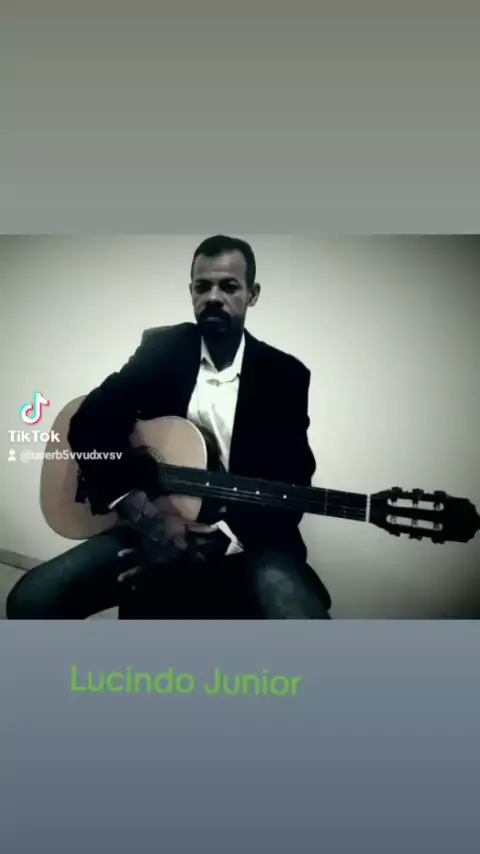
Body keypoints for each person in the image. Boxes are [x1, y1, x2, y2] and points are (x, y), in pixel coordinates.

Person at [6, 235, 331, 619]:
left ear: (252, 294)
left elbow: (293, 477)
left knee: (298, 614)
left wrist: (223, 538)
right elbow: (90, 421)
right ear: (191, 291)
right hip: (152, 519)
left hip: (245, 538)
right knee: (32, 599)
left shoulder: (285, 375)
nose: (213, 297)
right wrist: (147, 516)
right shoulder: (164, 348)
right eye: (202, 286)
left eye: (228, 286)